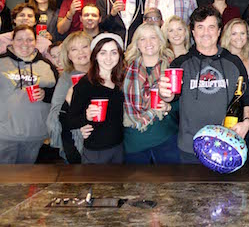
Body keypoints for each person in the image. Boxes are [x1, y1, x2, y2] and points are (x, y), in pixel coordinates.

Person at [158, 6, 249, 164]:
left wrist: (247, 122)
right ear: (193, 32)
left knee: (226, 190)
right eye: (200, 27)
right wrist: (164, 94)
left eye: (211, 27)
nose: (206, 33)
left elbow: (247, 98)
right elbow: (170, 96)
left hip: (227, 147)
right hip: (190, 148)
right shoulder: (180, 63)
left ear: (219, 31)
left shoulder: (234, 62)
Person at [0, 25, 58, 163]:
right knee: (5, 181)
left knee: (28, 180)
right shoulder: (1, 62)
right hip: (4, 134)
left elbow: (57, 95)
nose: (25, 44)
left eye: (29, 39)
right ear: (12, 41)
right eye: (20, 39)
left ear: (35, 41)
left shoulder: (46, 64)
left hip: (36, 136)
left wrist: (45, 94)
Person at [123, 24, 179, 164]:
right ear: (137, 44)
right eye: (142, 39)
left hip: (167, 141)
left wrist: (169, 107)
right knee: (137, 186)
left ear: (160, 41)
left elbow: (185, 102)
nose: (148, 43)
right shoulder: (123, 71)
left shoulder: (173, 68)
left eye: (153, 38)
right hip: (134, 143)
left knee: (170, 186)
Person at [67, 33, 126, 164]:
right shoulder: (85, 84)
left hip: (120, 147)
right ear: (95, 56)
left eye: (114, 52)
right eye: (103, 53)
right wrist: (86, 117)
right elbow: (71, 120)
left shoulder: (122, 80)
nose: (109, 58)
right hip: (96, 151)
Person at [46, 31, 92, 163]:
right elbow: (55, 116)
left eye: (85, 46)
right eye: (74, 49)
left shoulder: (103, 72)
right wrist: (78, 128)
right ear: (68, 55)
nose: (80, 52)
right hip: (76, 144)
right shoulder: (66, 79)